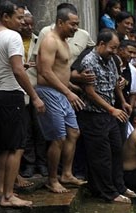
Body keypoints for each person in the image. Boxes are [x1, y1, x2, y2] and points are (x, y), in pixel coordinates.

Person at [76, 29, 135, 204]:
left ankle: (119, 186)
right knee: (101, 156)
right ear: (101, 44)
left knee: (117, 149)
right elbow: (91, 93)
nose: (115, 51)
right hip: (94, 115)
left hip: (109, 114)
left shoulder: (111, 60)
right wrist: (111, 109)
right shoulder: (89, 62)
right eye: (112, 47)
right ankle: (108, 192)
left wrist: (122, 101)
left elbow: (115, 82)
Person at [0, 0, 45, 207]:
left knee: (2, 148)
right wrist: (34, 96)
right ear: (5, 17)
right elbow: (17, 70)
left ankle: (0, 191)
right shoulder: (12, 36)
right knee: (16, 147)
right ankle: (8, 195)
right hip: (11, 95)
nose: (22, 21)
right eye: (18, 17)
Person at [35, 3, 87, 194]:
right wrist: (67, 92)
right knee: (58, 138)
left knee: (74, 133)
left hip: (62, 92)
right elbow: (45, 73)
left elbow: (60, 71)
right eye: (73, 24)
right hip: (49, 92)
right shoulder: (50, 40)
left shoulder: (63, 40)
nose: (76, 28)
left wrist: (72, 87)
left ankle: (66, 173)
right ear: (60, 22)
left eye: (77, 24)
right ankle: (52, 179)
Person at [19, 7, 48, 179]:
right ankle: (29, 164)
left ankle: (42, 164)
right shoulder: (14, 40)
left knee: (40, 129)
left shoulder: (39, 41)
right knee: (26, 130)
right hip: (20, 91)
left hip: (38, 90)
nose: (29, 28)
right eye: (25, 25)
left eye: (31, 25)